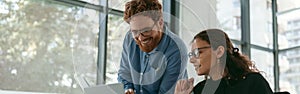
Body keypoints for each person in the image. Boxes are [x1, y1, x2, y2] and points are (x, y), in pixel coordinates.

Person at [117, 0, 188, 94]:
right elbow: (124, 73)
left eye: (146, 30)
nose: (141, 38)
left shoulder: (177, 49)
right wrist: (127, 89)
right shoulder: (129, 38)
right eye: (135, 32)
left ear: (160, 23)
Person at [175, 29, 273, 94]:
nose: (192, 60)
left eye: (198, 52)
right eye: (191, 55)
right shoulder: (200, 90)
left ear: (219, 51)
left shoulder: (252, 82)